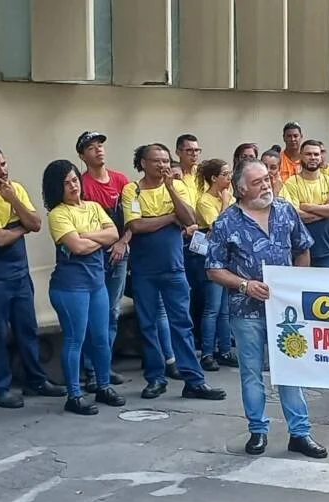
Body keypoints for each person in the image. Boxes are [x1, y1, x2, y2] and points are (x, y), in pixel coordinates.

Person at [206, 159, 327, 458]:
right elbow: (213, 269)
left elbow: (302, 248)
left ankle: (300, 434)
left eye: (267, 178)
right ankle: (257, 432)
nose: (267, 184)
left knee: (290, 371)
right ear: (241, 188)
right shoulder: (226, 222)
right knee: (251, 372)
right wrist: (245, 285)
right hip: (246, 310)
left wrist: (295, 282)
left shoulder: (285, 211)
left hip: (284, 310)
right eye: (258, 181)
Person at [125, 144, 225, 401]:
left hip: (173, 267)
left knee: (182, 323)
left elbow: (190, 218)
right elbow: (135, 225)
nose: (162, 165)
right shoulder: (132, 190)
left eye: (165, 160)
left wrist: (170, 190)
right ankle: (155, 379)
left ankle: (194, 380)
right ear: (143, 163)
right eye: (156, 161)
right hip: (144, 269)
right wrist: (169, 219)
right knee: (148, 325)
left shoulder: (177, 186)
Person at [0, 145, 65, 408]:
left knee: (27, 329)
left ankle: (36, 379)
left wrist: (14, 202)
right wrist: (21, 226)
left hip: (20, 274)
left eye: (4, 164)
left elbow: (35, 223)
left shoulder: (15, 189)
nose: (2, 170)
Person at [43, 159, 125, 415]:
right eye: (66, 183)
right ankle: (74, 395)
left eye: (75, 180)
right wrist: (95, 239)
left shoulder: (93, 206)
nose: (73, 186)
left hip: (96, 283)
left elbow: (113, 235)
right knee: (75, 339)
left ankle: (103, 386)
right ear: (57, 188)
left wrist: (85, 236)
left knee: (101, 338)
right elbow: (76, 248)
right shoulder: (58, 214)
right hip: (70, 287)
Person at [76, 131, 131, 390]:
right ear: (81, 155)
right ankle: (91, 369)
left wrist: (122, 242)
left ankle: (103, 366)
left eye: (100, 146)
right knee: (93, 313)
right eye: (91, 147)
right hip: (94, 255)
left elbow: (133, 219)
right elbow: (82, 225)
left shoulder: (120, 180)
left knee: (112, 312)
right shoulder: (82, 184)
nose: (98, 150)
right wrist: (104, 242)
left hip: (119, 253)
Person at [192, 159, 236, 371]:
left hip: (229, 257)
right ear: (214, 178)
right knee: (212, 307)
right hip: (212, 258)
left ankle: (225, 349)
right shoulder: (205, 200)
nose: (229, 178)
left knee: (225, 309)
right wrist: (226, 204)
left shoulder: (231, 196)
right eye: (225, 174)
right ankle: (207, 353)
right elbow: (218, 227)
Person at [283, 139, 329, 268]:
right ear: (300, 156)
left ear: (321, 157)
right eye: (308, 154)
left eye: (316, 154)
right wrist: (325, 211)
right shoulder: (291, 183)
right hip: (299, 251)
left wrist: (308, 207)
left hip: (326, 250)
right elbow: (294, 215)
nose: (313, 158)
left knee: (327, 288)